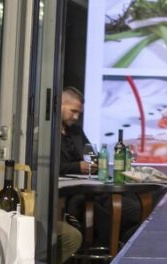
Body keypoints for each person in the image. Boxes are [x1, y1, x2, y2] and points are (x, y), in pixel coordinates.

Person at [59, 87, 143, 246]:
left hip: (91, 186)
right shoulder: (46, 133)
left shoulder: (76, 131)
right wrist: (77, 167)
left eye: (79, 113)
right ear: (59, 105)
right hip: (70, 192)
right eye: (73, 111)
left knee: (134, 204)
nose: (76, 117)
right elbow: (46, 166)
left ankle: (121, 244)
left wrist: (95, 163)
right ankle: (108, 246)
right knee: (106, 213)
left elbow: (92, 156)